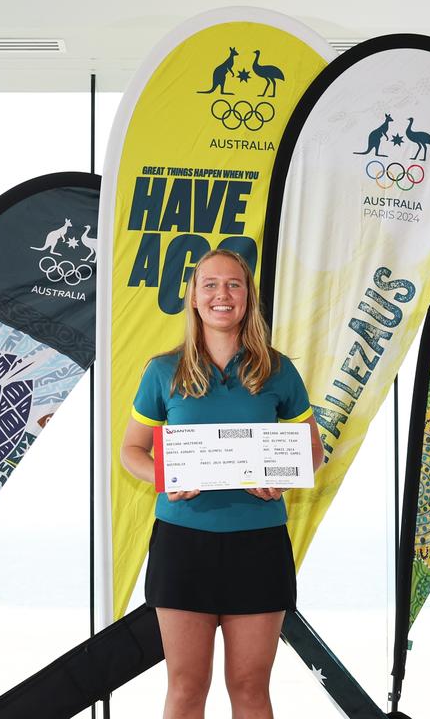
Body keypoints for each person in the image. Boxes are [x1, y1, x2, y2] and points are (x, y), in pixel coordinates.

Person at [120, 249, 324, 719]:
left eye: (233, 284)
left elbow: (310, 453)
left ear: (248, 296)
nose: (222, 294)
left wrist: (281, 480)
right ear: (193, 296)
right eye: (210, 284)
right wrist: (167, 477)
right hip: (182, 546)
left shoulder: (278, 370)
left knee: (250, 688)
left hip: (258, 546)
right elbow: (132, 451)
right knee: (187, 689)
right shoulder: (162, 371)